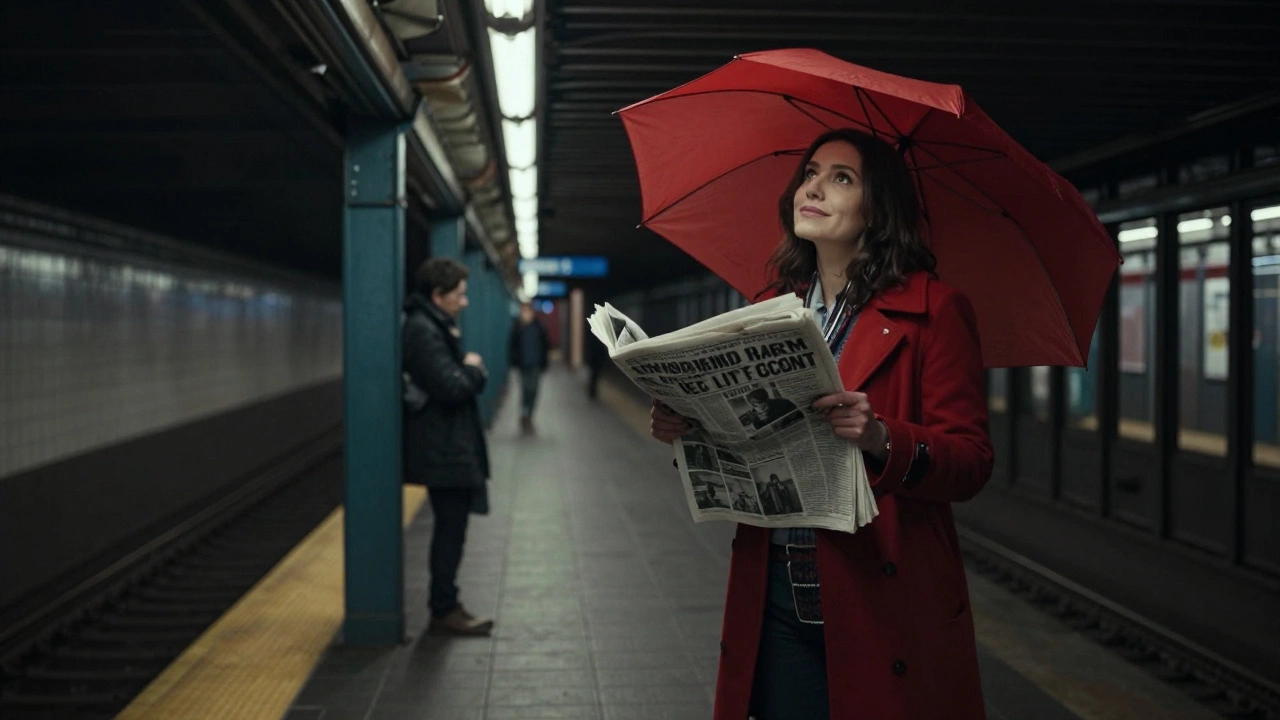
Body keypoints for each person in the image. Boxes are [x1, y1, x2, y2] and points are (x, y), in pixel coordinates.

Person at [650, 128, 993, 720]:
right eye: (811, 173)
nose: (815, 188)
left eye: (842, 178)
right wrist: (691, 424)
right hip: (778, 593)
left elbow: (971, 461)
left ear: (877, 207)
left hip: (878, 595)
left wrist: (883, 437)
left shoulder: (935, 311)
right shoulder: (772, 307)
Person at [402, 258, 495, 636]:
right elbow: (452, 387)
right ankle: (444, 608)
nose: (466, 301)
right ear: (437, 295)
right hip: (443, 450)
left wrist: (466, 370)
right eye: (459, 294)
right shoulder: (424, 331)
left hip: (447, 446)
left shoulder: (434, 325)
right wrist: (473, 368)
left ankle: (446, 604)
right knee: (450, 529)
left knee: (452, 528)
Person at [508, 301, 550, 433]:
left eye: (527, 312)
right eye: (523, 312)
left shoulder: (539, 328)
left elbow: (545, 346)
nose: (525, 315)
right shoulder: (517, 329)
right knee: (525, 389)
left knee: (533, 390)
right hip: (523, 365)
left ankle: (528, 414)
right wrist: (514, 361)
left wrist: (544, 362)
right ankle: (525, 413)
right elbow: (512, 347)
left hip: (536, 364)